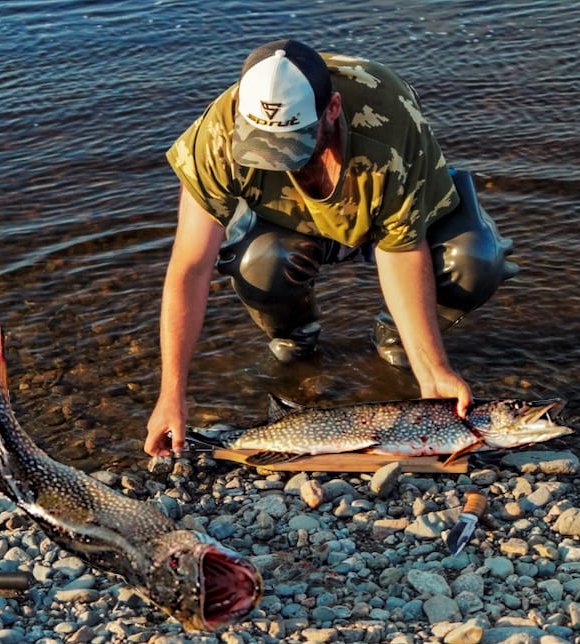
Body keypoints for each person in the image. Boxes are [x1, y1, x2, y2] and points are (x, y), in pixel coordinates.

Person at [144, 39, 517, 457]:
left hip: (386, 212)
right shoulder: (216, 137)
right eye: (264, 147)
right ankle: (294, 341)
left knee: (475, 259)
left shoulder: (390, 124)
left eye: (291, 145)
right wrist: (171, 395)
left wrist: (432, 371)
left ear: (333, 109)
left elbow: (401, 251)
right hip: (289, 226)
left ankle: (397, 340)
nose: (282, 161)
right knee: (261, 260)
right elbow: (190, 268)